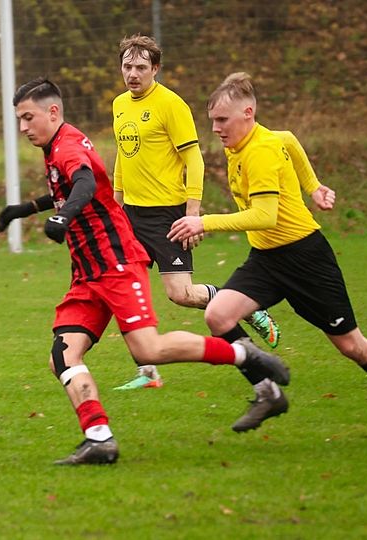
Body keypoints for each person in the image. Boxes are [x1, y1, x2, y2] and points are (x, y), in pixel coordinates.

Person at [0, 77, 291, 465]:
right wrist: (26, 209)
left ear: (53, 112)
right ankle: (99, 438)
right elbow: (72, 189)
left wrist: (63, 218)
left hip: (116, 264)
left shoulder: (67, 147)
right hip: (87, 273)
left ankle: (242, 355)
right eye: (19, 119)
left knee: (148, 349)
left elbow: (83, 183)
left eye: (27, 117)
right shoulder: (57, 145)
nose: (22, 127)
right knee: (63, 356)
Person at [168, 72, 367, 444]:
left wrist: (203, 222)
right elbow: (288, 138)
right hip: (266, 259)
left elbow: (265, 216)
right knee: (218, 315)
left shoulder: (259, 151)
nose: (215, 128)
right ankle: (268, 392)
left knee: (352, 346)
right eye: (212, 120)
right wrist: (314, 186)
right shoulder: (247, 140)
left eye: (222, 120)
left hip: (306, 258)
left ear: (248, 113)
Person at [111, 34, 280, 391]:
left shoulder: (172, 105)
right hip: (131, 215)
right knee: (123, 291)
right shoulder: (119, 105)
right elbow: (124, 158)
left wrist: (193, 213)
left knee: (181, 294)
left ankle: (245, 307)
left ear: (155, 68)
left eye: (140, 67)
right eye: (127, 66)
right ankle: (148, 373)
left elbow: (194, 159)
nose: (133, 74)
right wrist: (115, 203)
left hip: (167, 215)